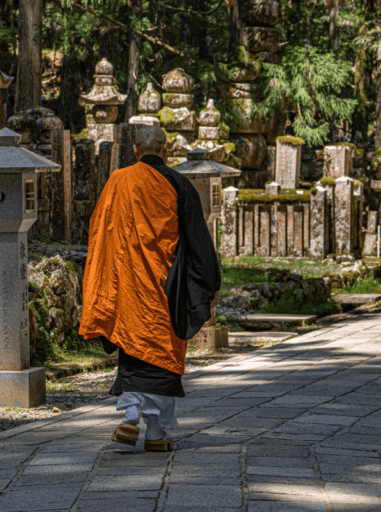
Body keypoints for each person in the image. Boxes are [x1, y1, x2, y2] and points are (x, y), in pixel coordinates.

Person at [79, 125, 221, 451]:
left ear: (134, 151)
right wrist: (207, 285)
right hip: (166, 290)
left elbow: (101, 232)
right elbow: (198, 241)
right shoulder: (178, 184)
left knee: (133, 352)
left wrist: (105, 281)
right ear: (167, 150)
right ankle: (156, 434)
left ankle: (130, 414)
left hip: (128, 287)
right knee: (162, 359)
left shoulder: (118, 181)